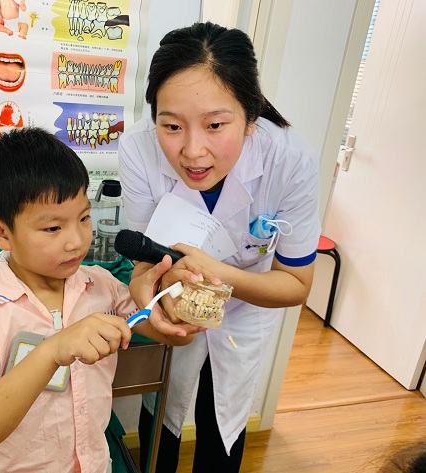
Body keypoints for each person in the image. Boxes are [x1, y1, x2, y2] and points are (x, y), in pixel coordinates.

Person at [118, 21, 321, 472]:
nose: (193, 151)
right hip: (175, 301)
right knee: (162, 420)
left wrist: (214, 271)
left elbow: (295, 283)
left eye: (215, 125)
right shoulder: (137, 149)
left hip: (247, 306)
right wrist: (144, 293)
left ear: (250, 117)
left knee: (223, 424)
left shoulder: (290, 160)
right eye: (172, 126)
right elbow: (144, 262)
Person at [0, 127, 194, 473]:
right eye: (53, 228)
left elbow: (172, 333)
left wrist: (181, 299)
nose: (77, 241)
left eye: (84, 218)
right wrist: (51, 351)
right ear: (0, 232)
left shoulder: (101, 285)